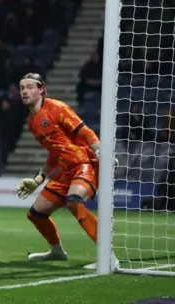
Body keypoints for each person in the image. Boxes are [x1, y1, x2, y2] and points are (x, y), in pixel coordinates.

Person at [15, 73, 118, 267]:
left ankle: (108, 257)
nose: (25, 91)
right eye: (22, 88)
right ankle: (56, 251)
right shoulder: (32, 123)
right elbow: (55, 153)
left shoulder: (57, 108)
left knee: (74, 202)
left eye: (29, 87)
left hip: (84, 163)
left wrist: (101, 151)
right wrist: (38, 179)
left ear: (42, 89)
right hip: (65, 170)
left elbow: (84, 131)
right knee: (35, 214)